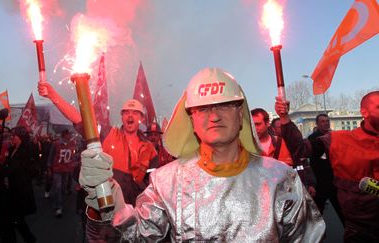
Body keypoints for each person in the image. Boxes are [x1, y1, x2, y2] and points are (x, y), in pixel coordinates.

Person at [80, 67, 325, 242]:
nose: (214, 116)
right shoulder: (166, 181)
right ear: (192, 120)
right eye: (203, 108)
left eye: (225, 105)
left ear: (241, 115)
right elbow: (134, 237)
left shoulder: (281, 179)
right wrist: (106, 204)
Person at [38, 82, 158, 206]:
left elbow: (153, 185)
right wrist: (53, 95)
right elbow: (80, 119)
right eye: (126, 112)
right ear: (122, 116)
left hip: (134, 210)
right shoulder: (108, 134)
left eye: (135, 112)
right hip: (106, 205)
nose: (130, 115)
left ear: (141, 118)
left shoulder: (150, 149)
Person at [311, 91, 379, 242]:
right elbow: (300, 150)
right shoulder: (337, 140)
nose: (325, 123)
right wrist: (284, 120)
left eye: (327, 121)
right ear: (364, 113)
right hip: (361, 229)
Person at [0, 126, 37, 243]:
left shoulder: (24, 150)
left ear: (21, 137)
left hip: (20, 191)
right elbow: (9, 166)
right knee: (16, 219)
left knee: (14, 219)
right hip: (12, 189)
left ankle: (28, 239)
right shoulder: (13, 149)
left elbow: (12, 170)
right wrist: (1, 163)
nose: (11, 138)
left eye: (14, 136)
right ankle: (29, 239)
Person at [307, 113, 344, 225]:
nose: (325, 123)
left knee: (343, 212)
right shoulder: (313, 138)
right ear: (317, 124)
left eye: (327, 121)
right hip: (320, 182)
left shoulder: (334, 136)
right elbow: (318, 153)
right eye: (322, 121)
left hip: (336, 181)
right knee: (317, 215)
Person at [47, 129, 77, 217]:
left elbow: (72, 156)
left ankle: (57, 202)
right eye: (69, 135)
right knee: (58, 187)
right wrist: (49, 168)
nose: (70, 136)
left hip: (66, 170)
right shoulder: (56, 144)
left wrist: (74, 164)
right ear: (65, 135)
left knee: (62, 188)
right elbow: (51, 156)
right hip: (57, 169)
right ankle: (59, 207)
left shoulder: (72, 144)